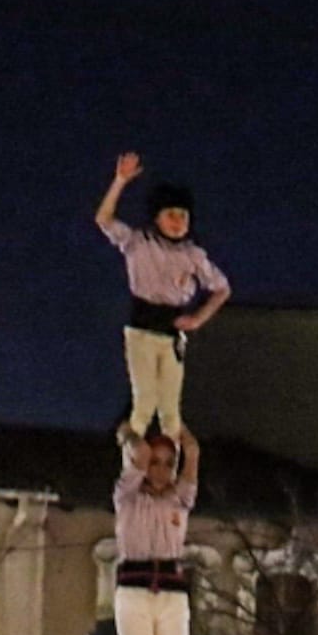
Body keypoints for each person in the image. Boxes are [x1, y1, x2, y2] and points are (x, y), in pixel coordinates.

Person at [93, 152, 232, 440]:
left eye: (183, 216)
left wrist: (197, 319)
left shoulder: (192, 254)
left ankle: (170, 476)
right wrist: (120, 181)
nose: (178, 221)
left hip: (171, 332)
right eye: (171, 214)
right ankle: (132, 469)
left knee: (170, 412)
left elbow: (222, 288)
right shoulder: (139, 242)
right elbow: (104, 219)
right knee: (144, 403)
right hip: (142, 328)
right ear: (156, 217)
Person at [112, 427, 201, 635]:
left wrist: (174, 422)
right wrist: (130, 436)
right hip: (134, 593)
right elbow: (138, 457)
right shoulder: (127, 496)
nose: (160, 470)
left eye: (167, 464)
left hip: (171, 595)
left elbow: (192, 452)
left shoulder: (180, 499)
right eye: (155, 463)